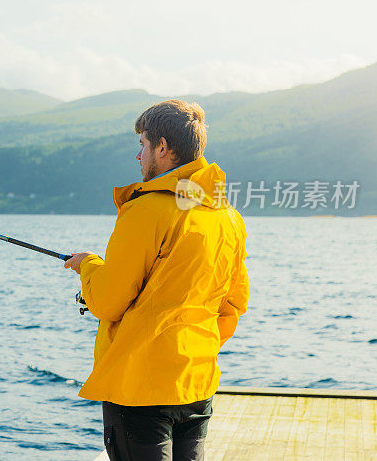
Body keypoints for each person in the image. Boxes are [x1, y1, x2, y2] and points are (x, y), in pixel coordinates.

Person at [64, 99, 249, 461]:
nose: (138, 156)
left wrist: (88, 265)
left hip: (140, 389)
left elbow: (107, 301)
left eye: (143, 145)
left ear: (162, 148)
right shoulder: (228, 217)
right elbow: (233, 305)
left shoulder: (146, 210)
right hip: (196, 383)